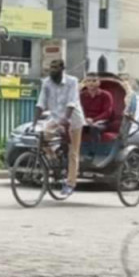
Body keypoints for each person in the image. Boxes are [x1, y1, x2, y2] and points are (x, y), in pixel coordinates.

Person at [35, 59, 84, 196]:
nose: (52, 70)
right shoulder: (46, 83)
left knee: (73, 152)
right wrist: (35, 121)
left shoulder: (72, 81)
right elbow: (41, 102)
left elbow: (71, 102)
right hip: (56, 118)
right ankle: (54, 158)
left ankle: (70, 183)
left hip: (73, 120)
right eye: (51, 68)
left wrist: (66, 120)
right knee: (42, 137)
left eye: (55, 68)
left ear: (62, 69)